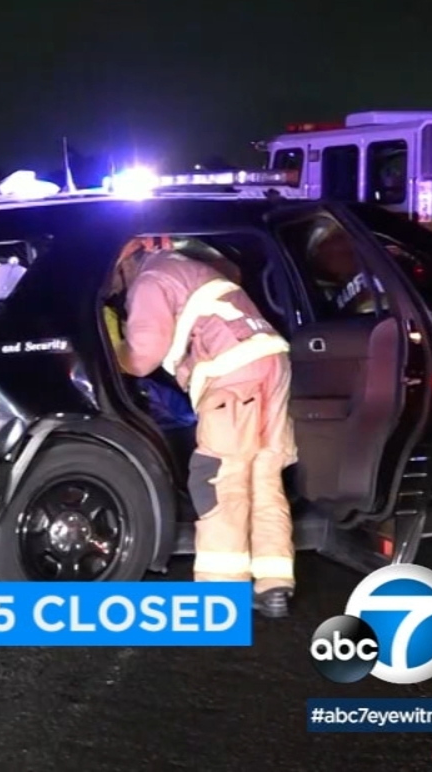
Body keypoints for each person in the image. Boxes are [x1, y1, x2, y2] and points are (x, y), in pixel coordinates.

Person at [111, 236, 299, 617]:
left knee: (218, 477)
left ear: (128, 259)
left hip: (233, 374)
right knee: (264, 474)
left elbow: (143, 356)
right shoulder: (187, 266)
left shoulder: (151, 280)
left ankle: (222, 592)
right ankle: (275, 583)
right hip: (273, 365)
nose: (114, 285)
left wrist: (113, 346)